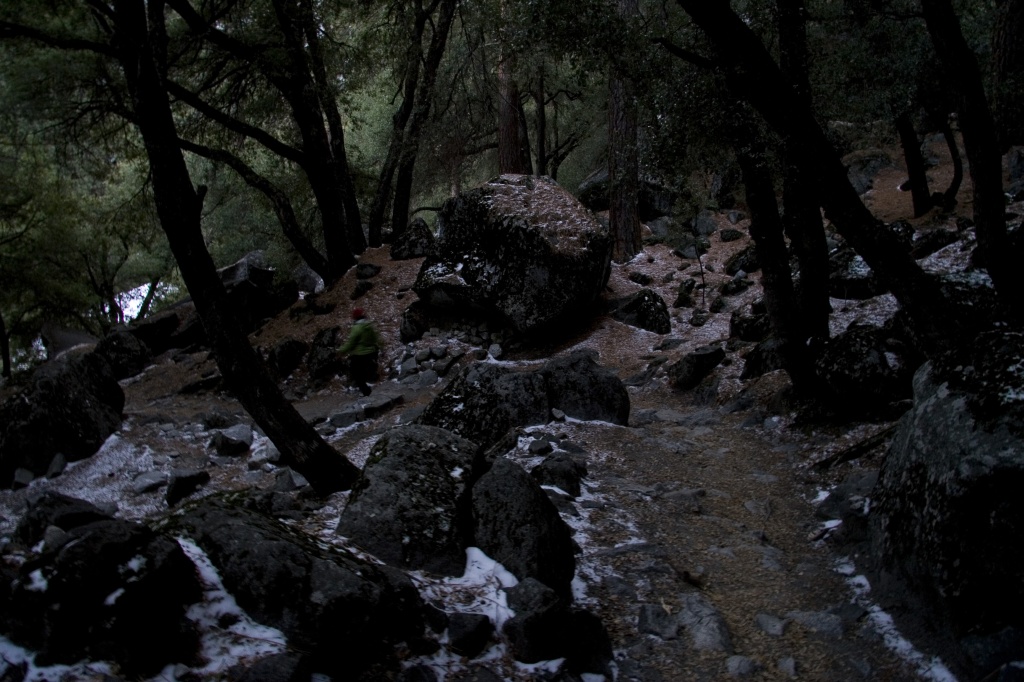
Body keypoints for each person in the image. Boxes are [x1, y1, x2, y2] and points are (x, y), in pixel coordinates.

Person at [337, 307, 380, 396]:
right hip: (370, 353)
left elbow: (350, 343)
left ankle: (366, 391)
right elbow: (375, 338)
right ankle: (368, 388)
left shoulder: (357, 328)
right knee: (365, 372)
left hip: (359, 355)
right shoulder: (369, 325)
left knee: (356, 374)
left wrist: (341, 350)